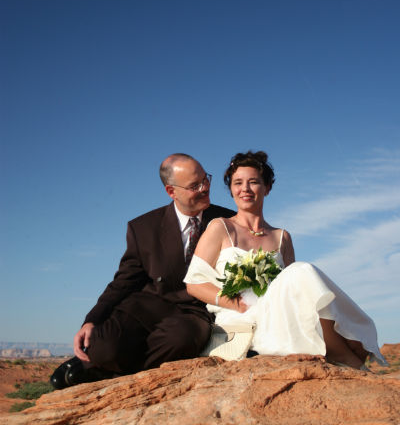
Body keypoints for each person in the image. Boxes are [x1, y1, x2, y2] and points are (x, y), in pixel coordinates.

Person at [184, 151, 387, 370]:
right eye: (238, 183)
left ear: (267, 187)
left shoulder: (282, 237)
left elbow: (299, 293)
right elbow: (194, 284)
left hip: (279, 318)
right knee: (302, 270)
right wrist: (232, 303)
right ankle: (343, 349)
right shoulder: (220, 227)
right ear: (231, 189)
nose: (245, 189)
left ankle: (341, 349)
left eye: (254, 182)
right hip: (241, 319)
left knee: (300, 274)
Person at [50, 153, 234, 389]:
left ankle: (103, 372)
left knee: (180, 340)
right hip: (147, 305)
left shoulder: (229, 222)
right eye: (194, 185)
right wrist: (92, 320)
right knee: (104, 345)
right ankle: (99, 360)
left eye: (205, 179)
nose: (205, 188)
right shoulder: (143, 227)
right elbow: (124, 281)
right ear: (171, 191)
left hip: (194, 312)